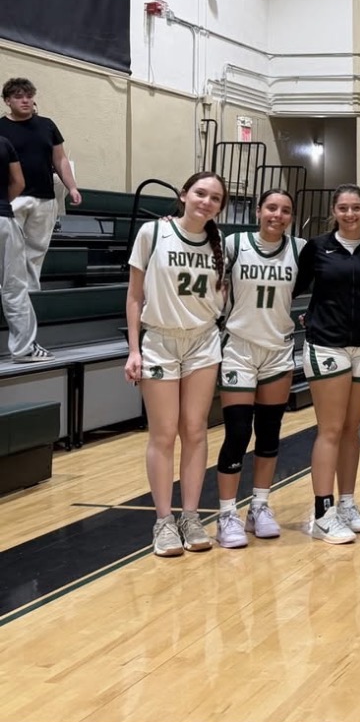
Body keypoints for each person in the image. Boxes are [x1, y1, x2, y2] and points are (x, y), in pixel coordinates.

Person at [124, 171, 227, 557]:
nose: (206, 202)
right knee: (164, 434)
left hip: (202, 341)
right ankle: (164, 521)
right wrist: (134, 350)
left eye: (215, 198)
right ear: (184, 195)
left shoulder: (220, 245)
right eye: (200, 193)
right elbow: (134, 296)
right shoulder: (153, 233)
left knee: (195, 431)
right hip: (160, 340)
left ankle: (191, 517)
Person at [293, 184, 360, 544]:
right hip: (327, 345)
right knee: (331, 429)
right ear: (333, 211)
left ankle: (347, 503)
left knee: (352, 429)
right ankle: (323, 513)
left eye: (356, 208)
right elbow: (294, 288)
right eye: (343, 208)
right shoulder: (317, 247)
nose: (350, 214)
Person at [213, 190, 305, 548]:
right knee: (237, 433)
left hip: (278, 350)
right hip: (239, 348)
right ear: (258, 211)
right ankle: (226, 514)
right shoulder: (234, 244)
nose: (277, 215)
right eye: (271, 208)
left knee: (269, 433)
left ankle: (259, 506)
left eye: (285, 210)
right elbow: (200, 246)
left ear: (291, 217)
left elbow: (337, 256)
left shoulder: (300, 249)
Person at [0, 78, 81, 290]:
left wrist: (72, 187)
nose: (25, 100)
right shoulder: (1, 127)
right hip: (11, 199)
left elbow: (60, 159)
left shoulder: (47, 125)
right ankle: (7, 294)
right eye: (19, 97)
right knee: (8, 251)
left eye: (29, 96)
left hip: (44, 199)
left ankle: (30, 295)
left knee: (35, 253)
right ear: (7, 101)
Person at [1, 138, 53, 363]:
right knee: (14, 285)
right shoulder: (4, 144)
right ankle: (24, 349)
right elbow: (19, 183)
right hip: (2, 218)